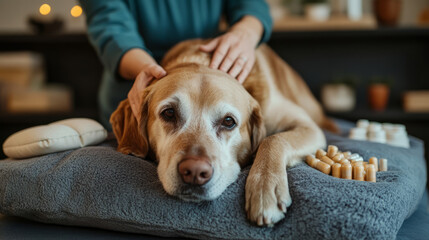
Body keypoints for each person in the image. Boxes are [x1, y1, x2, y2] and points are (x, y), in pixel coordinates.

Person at [80, 0, 272, 130]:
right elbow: (111, 29)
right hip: (138, 92)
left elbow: (252, 6)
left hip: (207, 76)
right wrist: (149, 73)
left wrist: (246, 32)